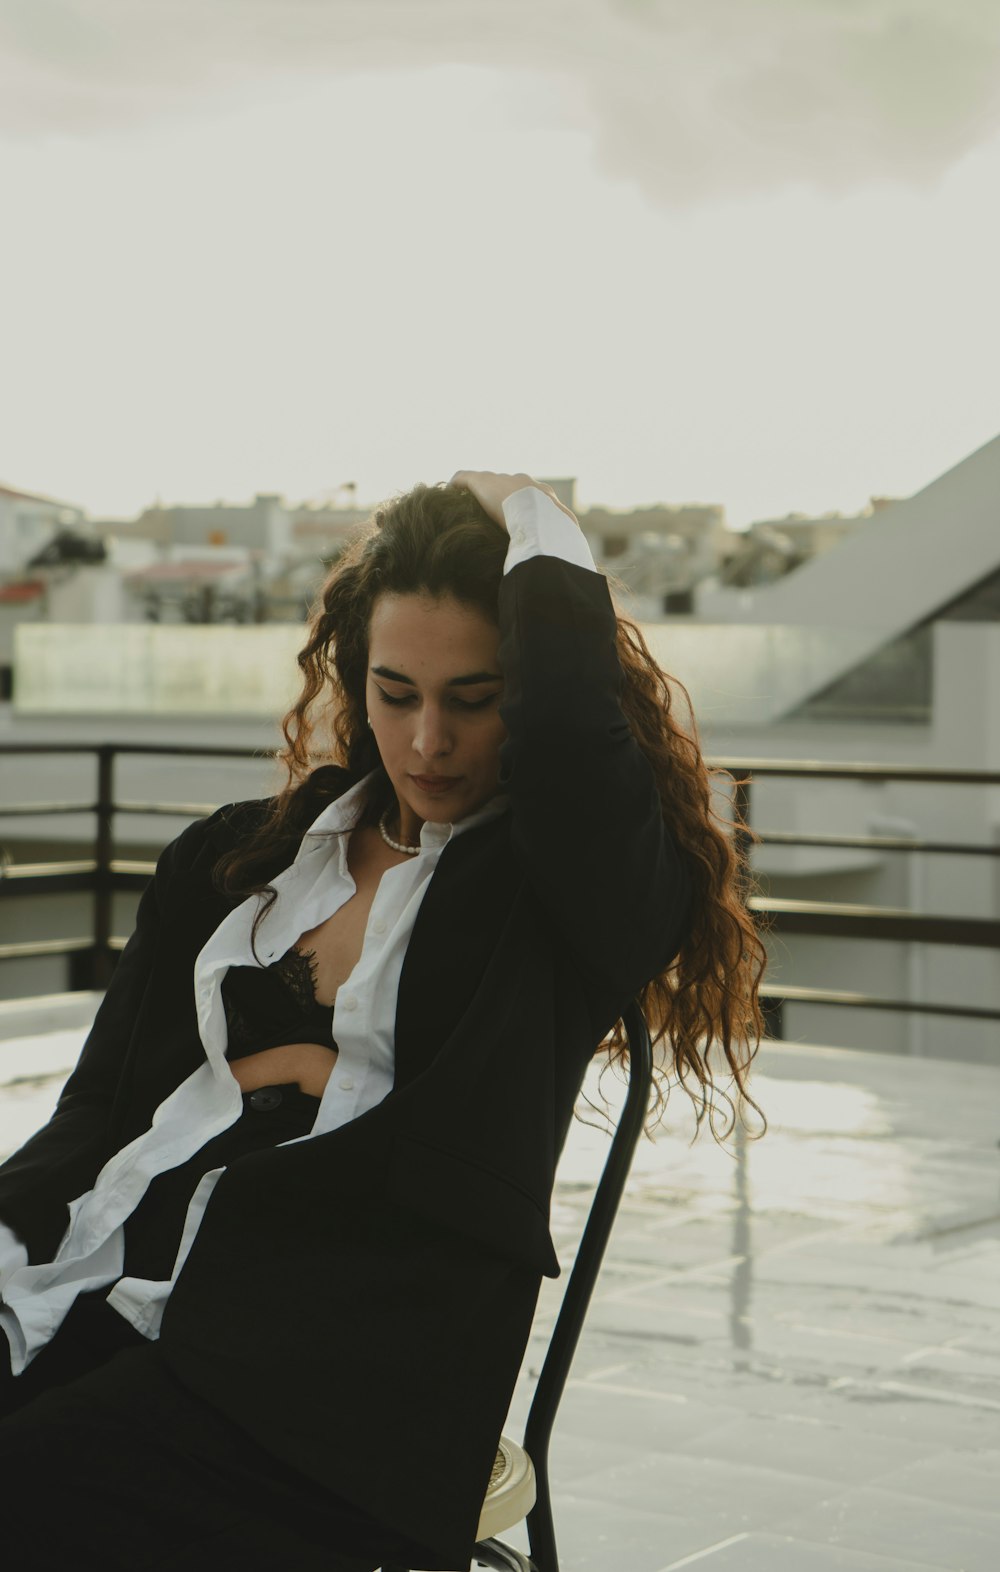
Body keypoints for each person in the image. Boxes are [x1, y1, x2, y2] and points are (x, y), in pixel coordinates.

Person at [0, 470, 765, 1570]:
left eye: (475, 696)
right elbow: (102, 1111)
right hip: (123, 1281)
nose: (428, 742)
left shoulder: (557, 905)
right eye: (395, 692)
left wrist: (531, 521)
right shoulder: (235, 861)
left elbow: (573, 745)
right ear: (352, 678)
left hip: (337, 1379)